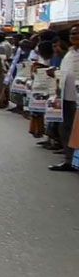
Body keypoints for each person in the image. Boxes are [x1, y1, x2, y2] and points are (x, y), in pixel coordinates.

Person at [49, 25, 79, 172]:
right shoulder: (70, 53)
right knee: (66, 129)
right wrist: (55, 73)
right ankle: (69, 160)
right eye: (72, 34)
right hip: (67, 97)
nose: (74, 36)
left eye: (77, 33)